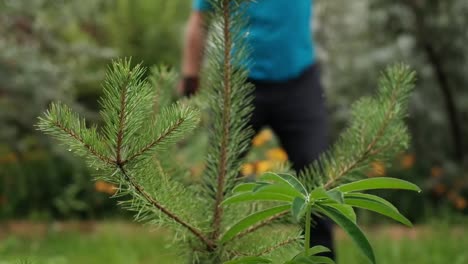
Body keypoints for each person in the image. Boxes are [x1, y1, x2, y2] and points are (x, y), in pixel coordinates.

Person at [179, 0, 334, 259]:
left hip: (300, 83)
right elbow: (199, 19)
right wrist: (190, 75)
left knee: (316, 178)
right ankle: (206, 256)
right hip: (239, 81)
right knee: (218, 183)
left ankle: (321, 259)